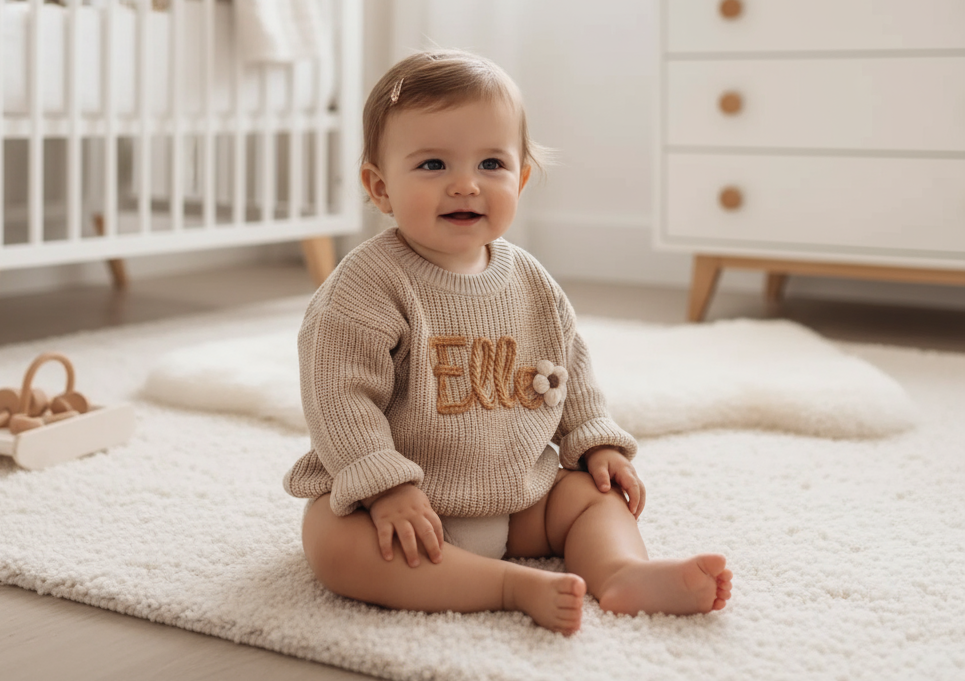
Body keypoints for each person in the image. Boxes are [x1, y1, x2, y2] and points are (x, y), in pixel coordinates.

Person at [284, 50, 732, 635]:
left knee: (595, 497)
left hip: (520, 495)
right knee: (334, 544)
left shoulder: (530, 281)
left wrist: (595, 443)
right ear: (380, 186)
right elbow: (337, 395)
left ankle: (622, 572)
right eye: (433, 165)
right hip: (399, 505)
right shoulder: (366, 286)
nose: (465, 184)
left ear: (520, 177)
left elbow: (571, 368)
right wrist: (384, 484)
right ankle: (506, 586)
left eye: (491, 162)